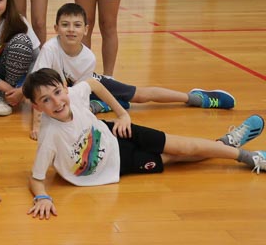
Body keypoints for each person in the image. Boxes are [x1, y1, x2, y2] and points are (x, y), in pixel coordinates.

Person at [24, 67, 265, 220]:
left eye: (57, 92)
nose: (56, 102)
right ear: (37, 107)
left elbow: (94, 83)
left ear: (65, 88)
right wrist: (42, 197)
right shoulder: (50, 135)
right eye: (46, 100)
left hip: (117, 132)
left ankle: (247, 156)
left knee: (184, 147)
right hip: (119, 164)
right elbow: (36, 178)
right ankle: (225, 144)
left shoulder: (74, 95)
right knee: (176, 158)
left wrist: (122, 114)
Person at [29, 3, 238, 139]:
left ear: (86, 29)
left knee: (141, 95)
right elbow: (39, 89)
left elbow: (85, 89)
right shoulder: (50, 49)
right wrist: (37, 126)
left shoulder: (88, 57)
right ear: (56, 28)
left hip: (86, 86)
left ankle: (195, 97)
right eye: (65, 25)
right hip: (64, 94)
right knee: (80, 111)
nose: (71, 30)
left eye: (77, 25)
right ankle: (103, 105)